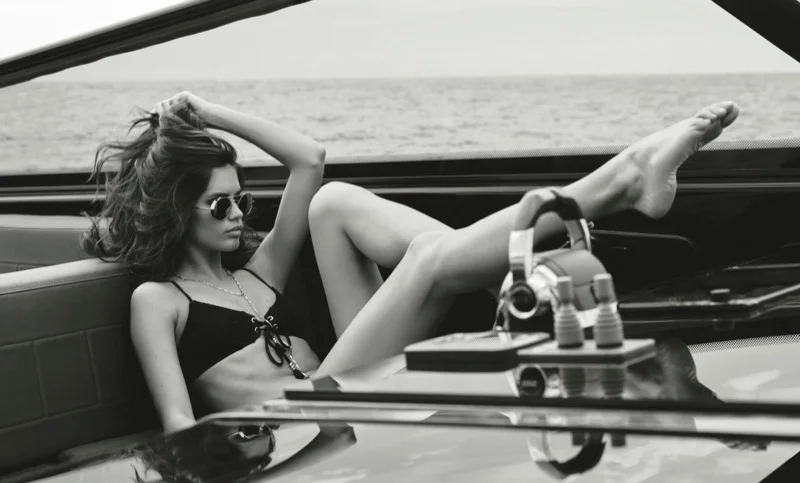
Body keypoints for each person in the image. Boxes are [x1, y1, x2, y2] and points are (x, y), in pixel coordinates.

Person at [82, 91, 740, 434]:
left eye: (241, 200)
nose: (236, 215)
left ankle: (514, 278)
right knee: (425, 260)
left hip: (343, 389)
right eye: (219, 205)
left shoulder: (256, 271)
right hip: (300, 425)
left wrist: (207, 112)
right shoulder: (158, 301)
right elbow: (179, 424)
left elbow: (309, 160)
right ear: (179, 212)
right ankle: (618, 183)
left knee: (332, 203)